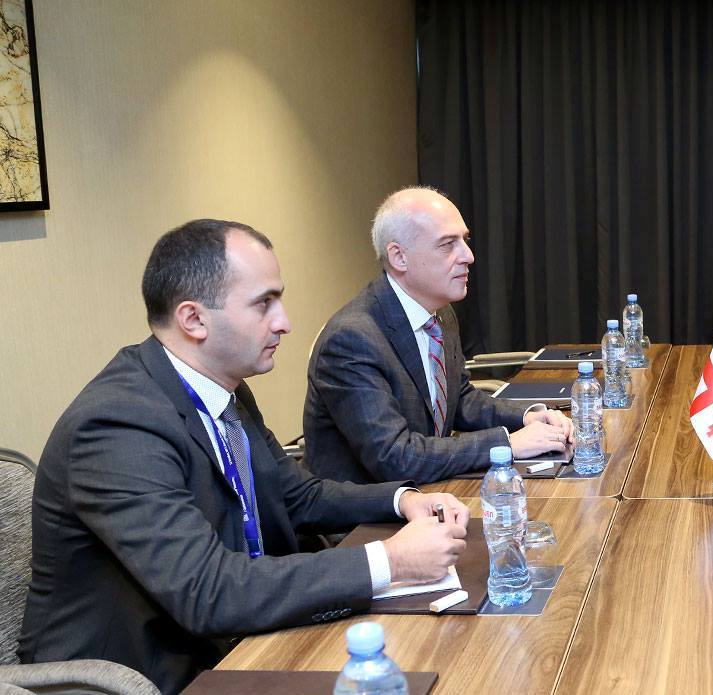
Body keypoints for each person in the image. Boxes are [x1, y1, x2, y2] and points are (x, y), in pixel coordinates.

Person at [18, 220, 470, 693]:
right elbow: (207, 590)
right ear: (193, 320)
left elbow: (297, 496)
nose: (284, 322)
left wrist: (403, 500)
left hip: (238, 638)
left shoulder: (223, 390)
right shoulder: (117, 425)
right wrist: (391, 560)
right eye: (263, 303)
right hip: (144, 673)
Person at [304, 187, 572, 484]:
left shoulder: (441, 313)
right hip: (368, 507)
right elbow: (396, 458)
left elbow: (460, 399)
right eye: (448, 245)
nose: (468, 256)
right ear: (399, 257)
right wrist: (507, 444)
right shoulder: (352, 339)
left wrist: (527, 417)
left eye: (465, 241)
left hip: (431, 489)